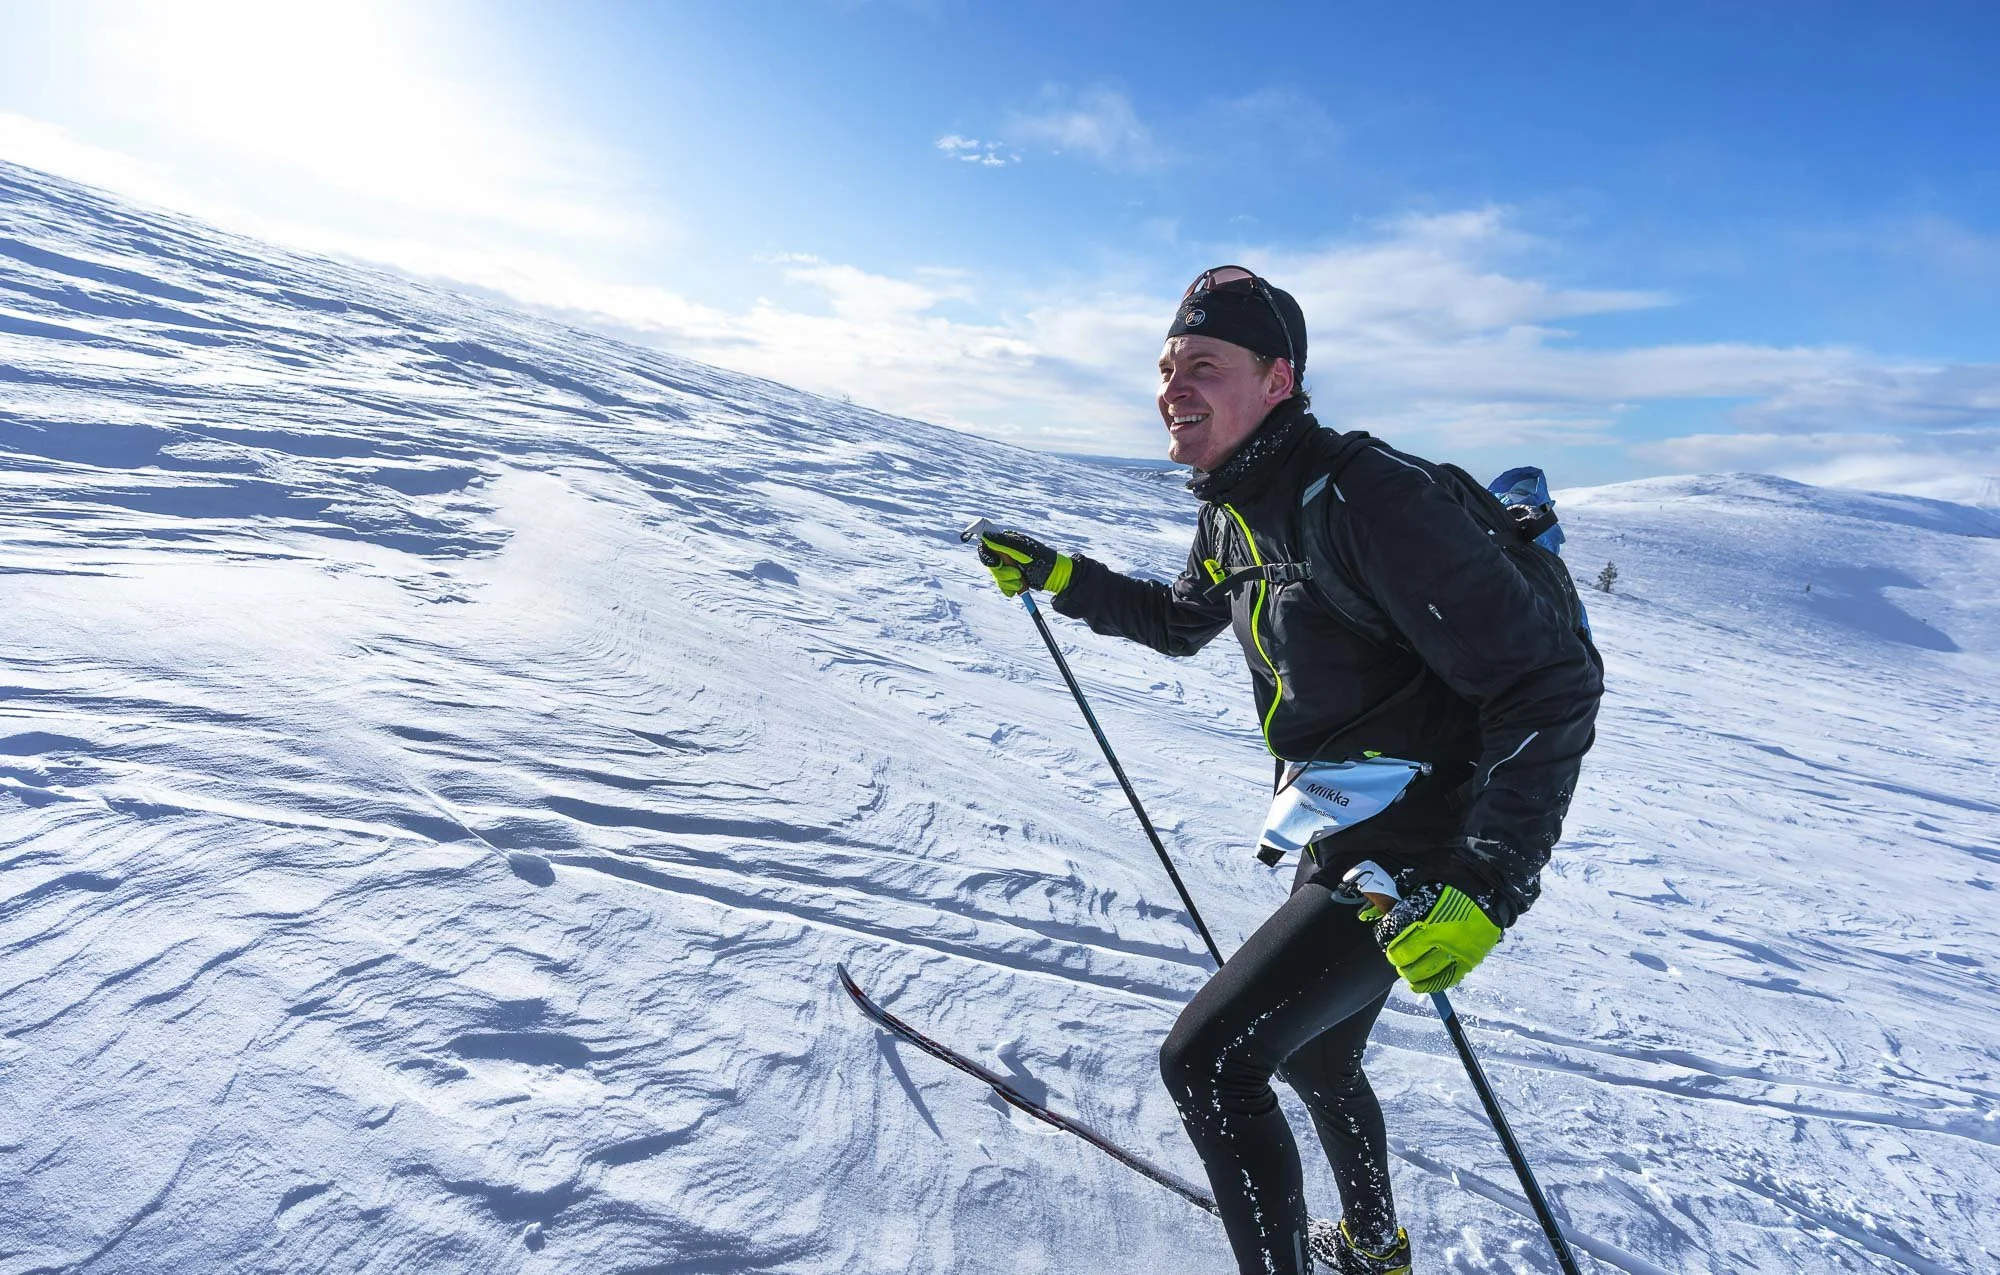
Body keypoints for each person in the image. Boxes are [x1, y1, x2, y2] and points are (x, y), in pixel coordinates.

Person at [977, 267, 1602, 1274]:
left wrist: (1486, 879)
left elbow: (1549, 683)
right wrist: (1063, 578)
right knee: (1312, 1052)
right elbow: (1185, 621)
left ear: (1278, 380)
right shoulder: (1233, 507)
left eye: (1202, 365)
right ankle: (1372, 1250)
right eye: (1167, 366)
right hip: (1339, 823)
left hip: (1422, 840)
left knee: (1209, 1064)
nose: (1171, 387)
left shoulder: (1367, 498)